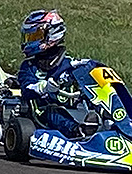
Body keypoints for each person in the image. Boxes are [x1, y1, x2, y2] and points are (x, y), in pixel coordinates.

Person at [17, 9, 86, 137]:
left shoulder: (69, 64)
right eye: (29, 37)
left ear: (52, 34)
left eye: (35, 36)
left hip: (74, 109)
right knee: (53, 112)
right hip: (41, 114)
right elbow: (26, 89)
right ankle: (78, 131)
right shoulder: (29, 66)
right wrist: (44, 87)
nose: (29, 41)